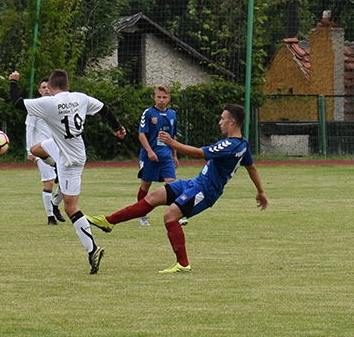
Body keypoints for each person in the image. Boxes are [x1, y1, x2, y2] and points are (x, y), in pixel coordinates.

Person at [87, 104, 267, 273]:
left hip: (205, 190)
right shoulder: (243, 144)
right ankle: (109, 222)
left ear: (232, 122)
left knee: (170, 216)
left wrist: (172, 143)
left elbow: (199, 153)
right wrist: (261, 192)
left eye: (222, 118)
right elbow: (251, 167)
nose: (220, 122)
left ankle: (183, 264)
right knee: (154, 196)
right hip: (196, 183)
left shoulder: (230, 145)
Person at [9, 68, 127, 274]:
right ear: (68, 86)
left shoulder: (48, 103)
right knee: (36, 149)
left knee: (71, 208)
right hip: (69, 148)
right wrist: (117, 128)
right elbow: (105, 110)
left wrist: (13, 81)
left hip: (69, 160)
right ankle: (53, 165)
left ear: (50, 87)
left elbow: (18, 103)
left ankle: (93, 250)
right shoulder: (80, 98)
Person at [137, 85, 179, 226]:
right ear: (154, 98)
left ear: (169, 99)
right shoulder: (148, 113)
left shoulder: (172, 114)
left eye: (164, 97)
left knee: (173, 185)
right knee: (145, 185)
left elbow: (173, 137)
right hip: (150, 157)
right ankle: (142, 215)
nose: (161, 100)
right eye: (159, 97)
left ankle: (176, 215)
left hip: (166, 157)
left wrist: (174, 155)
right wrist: (150, 151)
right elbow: (142, 134)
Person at [26, 77, 65, 226]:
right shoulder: (35, 108)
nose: (46, 90)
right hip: (41, 150)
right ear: (39, 90)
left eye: (48, 87)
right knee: (48, 182)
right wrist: (29, 151)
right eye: (43, 87)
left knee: (65, 180)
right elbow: (30, 129)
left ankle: (54, 205)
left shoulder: (57, 106)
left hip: (58, 149)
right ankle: (50, 218)